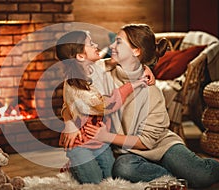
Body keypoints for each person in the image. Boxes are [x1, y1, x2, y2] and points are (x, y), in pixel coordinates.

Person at [82, 23, 219, 189]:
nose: (111, 45)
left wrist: (107, 137)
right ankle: (173, 178)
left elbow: (147, 142)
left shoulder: (151, 92)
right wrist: (143, 67)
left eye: (118, 42)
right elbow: (81, 69)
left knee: (202, 177)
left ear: (136, 51)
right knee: (124, 169)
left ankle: (215, 165)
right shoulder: (103, 73)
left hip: (161, 146)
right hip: (129, 154)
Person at [55, 30, 154, 184]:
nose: (95, 45)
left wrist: (145, 67)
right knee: (94, 181)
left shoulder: (93, 67)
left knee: (110, 179)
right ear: (80, 56)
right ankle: (72, 167)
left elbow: (112, 61)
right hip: (80, 143)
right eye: (90, 44)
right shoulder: (74, 85)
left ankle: (82, 168)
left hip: (100, 141)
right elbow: (105, 105)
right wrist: (132, 85)